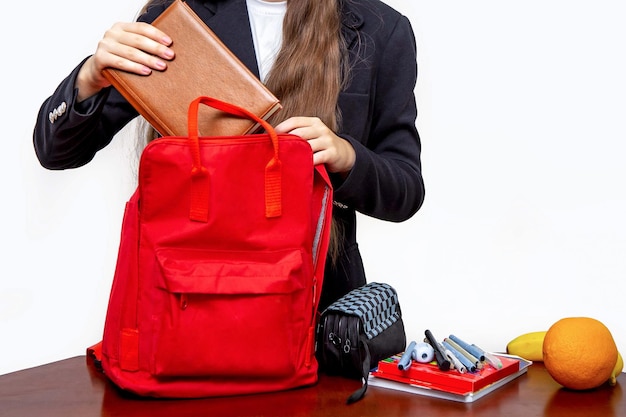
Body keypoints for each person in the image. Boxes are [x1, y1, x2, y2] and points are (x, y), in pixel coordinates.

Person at [33, 0, 425, 310]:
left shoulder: (381, 29)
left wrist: (346, 156)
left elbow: (405, 190)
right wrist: (90, 77)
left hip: (320, 308)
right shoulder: (177, 18)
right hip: (187, 300)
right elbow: (57, 150)